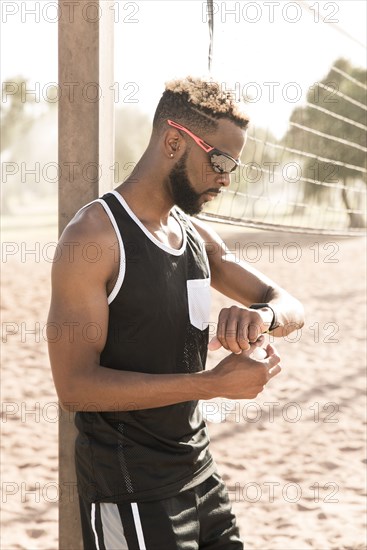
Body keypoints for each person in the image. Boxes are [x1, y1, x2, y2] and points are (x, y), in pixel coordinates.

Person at [48, 76, 304, 549]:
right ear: (173, 141)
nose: (227, 178)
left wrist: (261, 317)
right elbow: (74, 387)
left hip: (200, 476)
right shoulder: (95, 237)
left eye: (235, 165)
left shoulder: (194, 235)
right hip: (132, 491)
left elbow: (290, 304)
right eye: (221, 161)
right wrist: (212, 384)